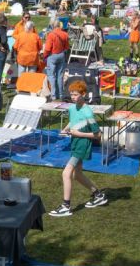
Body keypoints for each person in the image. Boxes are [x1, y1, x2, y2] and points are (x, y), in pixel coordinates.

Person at [49, 80, 108, 217]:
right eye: (71, 94)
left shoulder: (88, 113)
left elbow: (98, 134)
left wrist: (78, 134)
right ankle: (98, 195)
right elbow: (73, 120)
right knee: (77, 175)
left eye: (76, 95)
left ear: (83, 94)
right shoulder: (72, 108)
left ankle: (66, 206)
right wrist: (66, 129)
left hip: (82, 145)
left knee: (66, 173)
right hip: (75, 142)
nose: (73, 97)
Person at [43, 19, 70, 101]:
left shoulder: (51, 35)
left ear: (52, 26)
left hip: (52, 56)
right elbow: (67, 47)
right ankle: (61, 94)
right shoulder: (65, 34)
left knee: (51, 75)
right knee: (60, 75)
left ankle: (54, 95)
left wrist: (44, 56)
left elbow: (47, 48)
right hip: (61, 55)